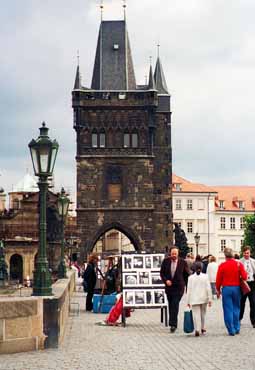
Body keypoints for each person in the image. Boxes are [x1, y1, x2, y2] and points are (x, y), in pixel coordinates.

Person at [216, 247, 247, 336]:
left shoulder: (222, 265)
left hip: (226, 289)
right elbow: (244, 277)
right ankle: (237, 328)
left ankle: (231, 330)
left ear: (225, 255)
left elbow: (218, 279)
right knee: (236, 308)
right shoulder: (239, 264)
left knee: (228, 309)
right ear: (232, 254)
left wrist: (218, 290)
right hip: (236, 288)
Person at [160, 246, 190, 333]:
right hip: (169, 287)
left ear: (178, 253)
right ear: (170, 253)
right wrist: (166, 281)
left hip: (179, 287)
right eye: (172, 253)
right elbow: (162, 273)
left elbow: (186, 275)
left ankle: (173, 324)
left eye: (175, 254)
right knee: (171, 304)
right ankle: (172, 322)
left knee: (175, 304)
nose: (174, 255)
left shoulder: (182, 262)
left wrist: (188, 287)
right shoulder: (166, 261)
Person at [186, 262, 212, 336]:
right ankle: (203, 328)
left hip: (194, 299)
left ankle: (197, 329)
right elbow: (208, 288)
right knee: (203, 314)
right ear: (202, 268)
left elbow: (189, 290)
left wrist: (188, 301)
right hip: (203, 298)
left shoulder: (190, 278)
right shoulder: (205, 276)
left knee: (196, 314)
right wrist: (210, 299)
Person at [239, 246, 255, 328]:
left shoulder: (253, 261)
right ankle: (239, 318)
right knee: (242, 303)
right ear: (243, 253)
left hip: (251, 283)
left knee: (253, 303)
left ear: (250, 253)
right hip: (243, 284)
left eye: (248, 253)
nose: (246, 254)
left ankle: (253, 321)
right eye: (245, 253)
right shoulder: (240, 262)